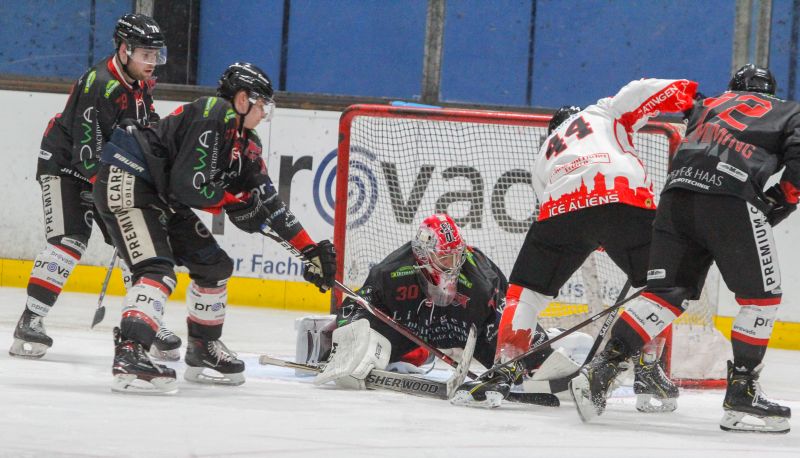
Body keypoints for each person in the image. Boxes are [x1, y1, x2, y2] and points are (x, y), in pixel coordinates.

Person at [570, 64, 795, 434]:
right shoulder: (789, 110)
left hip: (675, 199)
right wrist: (780, 200)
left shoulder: (708, 105)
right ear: (771, 90)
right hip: (731, 199)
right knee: (762, 298)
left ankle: (600, 371)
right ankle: (742, 396)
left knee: (665, 294)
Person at [92, 61, 336, 393]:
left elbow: (270, 203)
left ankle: (202, 348)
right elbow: (189, 186)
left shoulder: (246, 144)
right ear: (241, 99)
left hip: (160, 193)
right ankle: (130, 351)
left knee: (214, 265)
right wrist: (235, 203)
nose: (264, 111)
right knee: (156, 269)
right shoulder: (214, 112)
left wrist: (309, 249)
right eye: (261, 102)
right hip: (129, 179)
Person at [455, 79, 700, 409]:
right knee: (660, 288)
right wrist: (686, 96)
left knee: (525, 293)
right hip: (624, 199)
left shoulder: (544, 154)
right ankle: (646, 369)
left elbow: (556, 210)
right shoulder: (599, 112)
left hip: (562, 206)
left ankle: (503, 371)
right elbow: (640, 91)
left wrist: (596, 236)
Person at [9, 13, 181, 360]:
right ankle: (31, 319)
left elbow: (147, 136)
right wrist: (120, 193)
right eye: (144, 54)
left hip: (105, 168)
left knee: (138, 245)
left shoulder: (141, 84)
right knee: (69, 240)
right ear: (124, 49)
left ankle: (145, 319)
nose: (151, 62)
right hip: (65, 167)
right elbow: (87, 153)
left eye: (155, 54)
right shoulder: (99, 84)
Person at [315, 214, 544, 390]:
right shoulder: (390, 273)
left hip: (462, 328)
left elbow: (511, 312)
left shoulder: (480, 282)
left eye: (456, 255)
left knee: (522, 357)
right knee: (362, 331)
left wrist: (525, 350)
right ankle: (420, 354)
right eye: (445, 257)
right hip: (410, 329)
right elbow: (356, 305)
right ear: (423, 255)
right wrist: (347, 340)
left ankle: (543, 351)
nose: (453, 264)